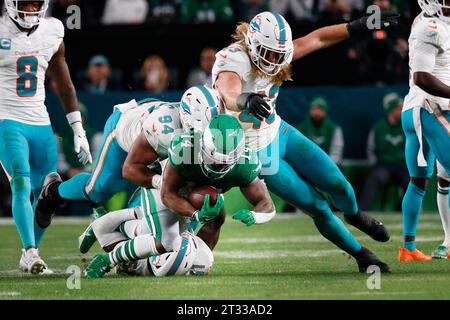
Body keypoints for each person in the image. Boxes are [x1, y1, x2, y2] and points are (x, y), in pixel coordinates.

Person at [212, 11, 399, 272]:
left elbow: (319, 38)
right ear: (253, 45)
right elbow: (228, 91)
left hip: (279, 131)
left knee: (338, 182)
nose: (276, 61)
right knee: (318, 207)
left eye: (280, 54)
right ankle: (362, 255)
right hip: (259, 154)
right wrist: (245, 100)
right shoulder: (233, 58)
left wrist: (360, 25)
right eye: (270, 54)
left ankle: (354, 214)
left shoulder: (275, 51)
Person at [83, 115, 276, 278]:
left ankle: (105, 224)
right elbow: (167, 194)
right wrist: (196, 215)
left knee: (212, 227)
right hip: (166, 186)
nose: (217, 167)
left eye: (224, 165)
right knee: (165, 241)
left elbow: (266, 204)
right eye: (213, 159)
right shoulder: (186, 147)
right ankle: (107, 259)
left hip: (193, 193)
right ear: (205, 145)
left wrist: (255, 215)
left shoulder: (245, 164)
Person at [34, 85, 221, 228]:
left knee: (178, 193)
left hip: (161, 141)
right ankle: (53, 193)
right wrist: (159, 181)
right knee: (98, 190)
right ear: (189, 119)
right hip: (124, 128)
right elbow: (130, 169)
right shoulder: (163, 130)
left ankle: (130, 242)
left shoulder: (211, 128)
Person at [0, 0, 92, 274]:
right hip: (7, 118)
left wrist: (78, 127)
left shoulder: (52, 30)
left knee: (48, 195)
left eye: (35, 4)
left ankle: (31, 252)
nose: (30, 10)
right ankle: (30, 251)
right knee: (20, 181)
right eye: (25, 4)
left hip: (40, 122)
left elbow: (64, 82)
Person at [399, 0, 450, 261]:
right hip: (430, 107)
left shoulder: (431, 22)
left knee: (418, 182)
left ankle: (408, 248)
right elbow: (422, 76)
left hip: (417, 107)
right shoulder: (430, 26)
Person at [360, 92, 408, 211]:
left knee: (414, 182)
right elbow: (370, 149)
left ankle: (401, 210)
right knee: (374, 178)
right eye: (399, 108)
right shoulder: (378, 128)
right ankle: (361, 212)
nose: (401, 111)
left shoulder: (407, 126)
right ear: (391, 110)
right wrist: (375, 165)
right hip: (384, 166)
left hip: (403, 166)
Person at [298, 96, 344, 166]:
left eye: (320, 110)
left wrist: (322, 168)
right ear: (309, 111)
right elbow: (297, 152)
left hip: (329, 169)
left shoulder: (334, 129)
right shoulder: (300, 129)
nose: (317, 113)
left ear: (325, 112)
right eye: (314, 109)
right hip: (306, 168)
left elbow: (336, 154)